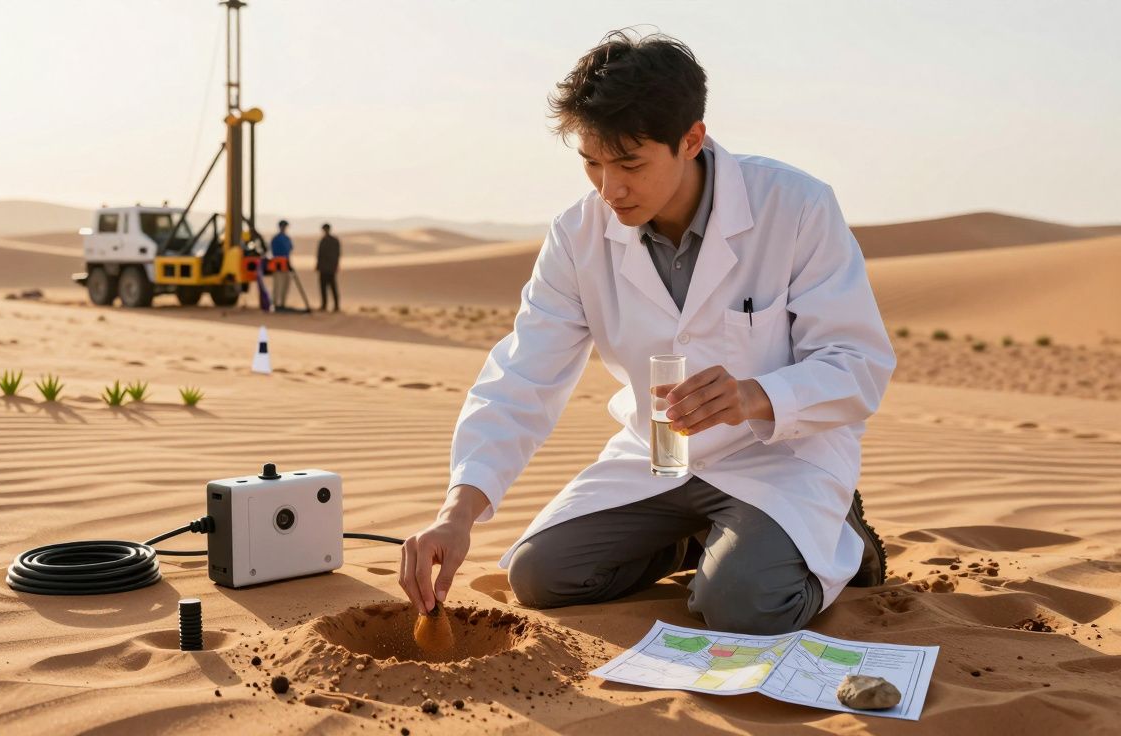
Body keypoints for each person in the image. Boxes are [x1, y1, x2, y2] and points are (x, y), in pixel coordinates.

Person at [398, 31, 896, 636]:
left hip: (780, 458)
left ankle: (838, 538)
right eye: (592, 163)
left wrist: (753, 395)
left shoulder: (796, 206)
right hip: (658, 458)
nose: (609, 189)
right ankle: (699, 541)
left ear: (691, 139)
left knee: (742, 606)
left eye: (630, 164)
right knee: (541, 576)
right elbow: (524, 374)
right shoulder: (576, 236)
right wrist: (457, 513)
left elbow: (858, 361)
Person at [316, 223, 341, 312]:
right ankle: (324, 305)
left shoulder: (333, 241)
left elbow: (337, 254)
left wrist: (336, 265)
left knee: (332, 287)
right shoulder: (323, 240)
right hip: (324, 268)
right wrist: (318, 265)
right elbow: (319, 255)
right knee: (323, 288)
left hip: (330, 269)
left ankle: (336, 306)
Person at [269, 220, 293, 311]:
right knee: (277, 285)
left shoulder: (287, 238)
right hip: (278, 265)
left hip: (286, 265)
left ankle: (282, 303)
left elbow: (289, 251)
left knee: (285, 285)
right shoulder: (276, 239)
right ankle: (275, 304)